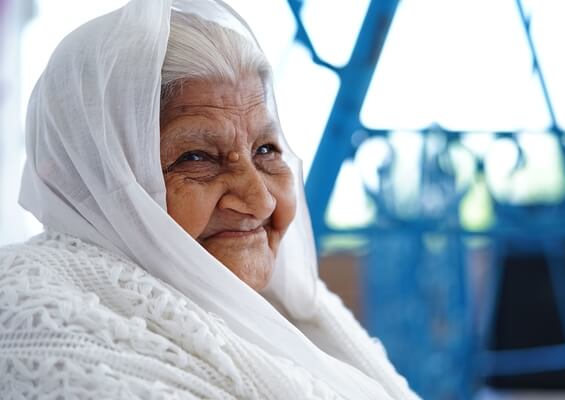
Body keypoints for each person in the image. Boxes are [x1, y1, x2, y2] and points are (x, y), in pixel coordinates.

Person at [0, 0, 420, 399]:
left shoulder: (297, 308)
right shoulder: (36, 319)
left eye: (266, 150)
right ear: (85, 176)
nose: (260, 201)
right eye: (196, 157)